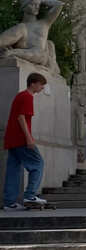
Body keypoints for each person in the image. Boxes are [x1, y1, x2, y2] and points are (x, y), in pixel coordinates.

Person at [3, 72, 48, 210]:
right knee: (38, 163)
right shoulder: (27, 97)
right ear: (33, 83)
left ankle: (9, 203)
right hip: (21, 139)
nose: (42, 88)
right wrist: (29, 138)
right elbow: (21, 118)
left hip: (12, 139)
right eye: (41, 85)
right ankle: (30, 195)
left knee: (13, 170)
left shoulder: (20, 96)